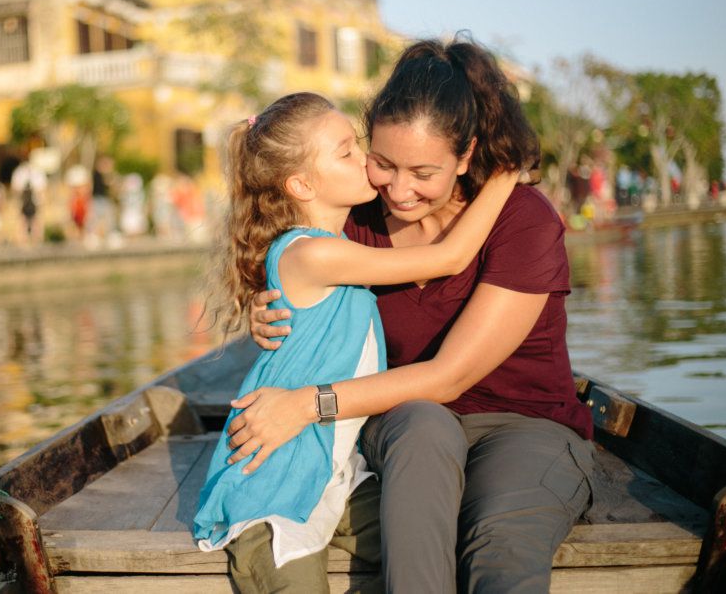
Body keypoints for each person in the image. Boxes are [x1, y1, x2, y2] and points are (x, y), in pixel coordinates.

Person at [241, 37, 595, 593]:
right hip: (404, 422)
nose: (399, 191)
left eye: (423, 173)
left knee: (499, 547)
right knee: (424, 423)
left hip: (524, 426)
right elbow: (292, 267)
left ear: (466, 154)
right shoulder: (352, 224)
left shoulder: (522, 219)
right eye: (382, 164)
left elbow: (451, 375)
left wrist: (310, 404)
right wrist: (261, 311)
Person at [193, 92, 520, 594]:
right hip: (275, 479)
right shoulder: (316, 254)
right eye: (346, 152)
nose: (365, 160)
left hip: (336, 473)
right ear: (302, 184)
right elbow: (450, 257)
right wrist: (505, 173)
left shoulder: (336, 248)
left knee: (435, 547)